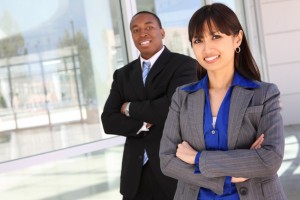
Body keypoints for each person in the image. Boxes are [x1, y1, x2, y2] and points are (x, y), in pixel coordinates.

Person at [159, 3, 287, 200]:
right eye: (198, 40)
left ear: (237, 39)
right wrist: (230, 176)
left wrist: (197, 158)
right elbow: (167, 160)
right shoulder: (182, 96)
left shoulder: (264, 94)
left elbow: (270, 159)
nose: (207, 48)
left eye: (216, 36)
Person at [101, 11, 198, 200]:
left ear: (162, 32)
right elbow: (108, 120)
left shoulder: (185, 66)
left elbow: (172, 109)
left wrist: (129, 108)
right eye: (136, 30)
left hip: (173, 173)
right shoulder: (122, 75)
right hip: (135, 178)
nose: (142, 34)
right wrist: (142, 124)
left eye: (149, 27)